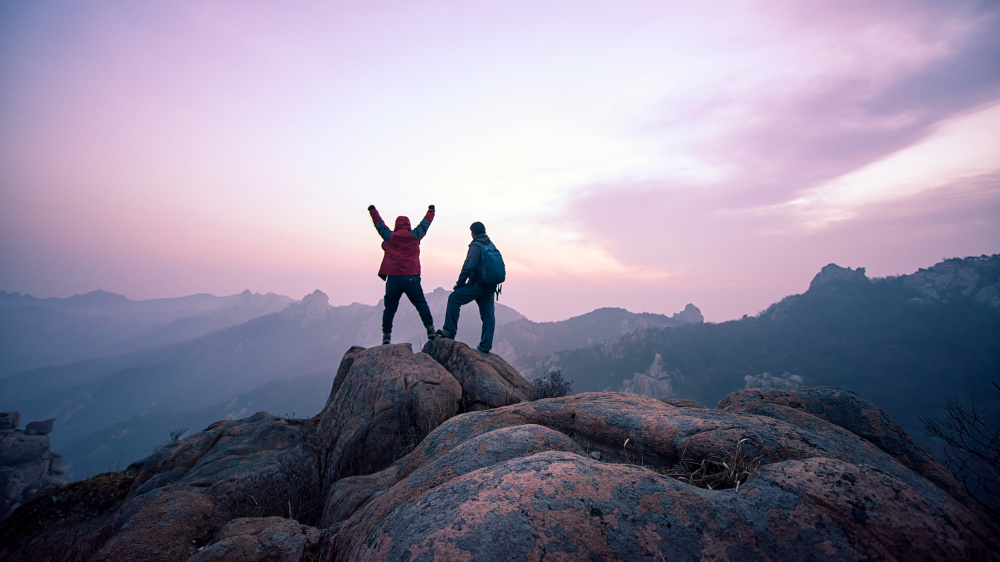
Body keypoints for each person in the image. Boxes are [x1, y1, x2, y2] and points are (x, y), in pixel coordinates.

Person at [368, 204, 437, 345]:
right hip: (411, 277)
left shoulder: (390, 237)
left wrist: (373, 211)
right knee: (421, 304)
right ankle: (430, 329)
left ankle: (386, 336)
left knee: (390, 308)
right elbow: (425, 223)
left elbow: (379, 224)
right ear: (408, 225)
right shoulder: (415, 235)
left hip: (393, 278)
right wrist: (431, 210)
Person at [436, 221, 498, 353]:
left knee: (454, 298)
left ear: (473, 233)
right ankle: (485, 345)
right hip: (490, 285)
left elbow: (468, 266)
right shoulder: (490, 244)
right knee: (488, 315)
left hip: (478, 284)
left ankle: (449, 331)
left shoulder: (476, 245)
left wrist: (460, 284)